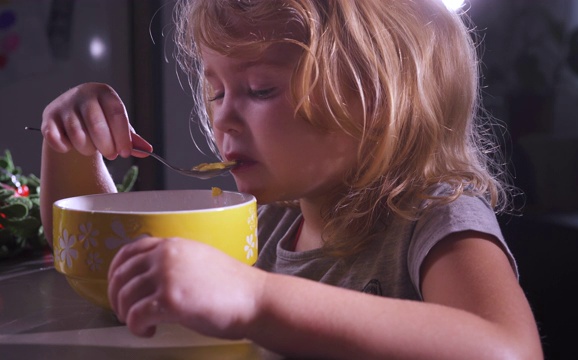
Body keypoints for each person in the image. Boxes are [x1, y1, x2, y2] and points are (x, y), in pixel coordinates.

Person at [39, 0, 543, 358]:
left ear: (378, 102)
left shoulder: (433, 216)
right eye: (216, 92)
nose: (223, 119)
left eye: (259, 89)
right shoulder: (269, 217)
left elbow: (506, 349)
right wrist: (71, 149)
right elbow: (116, 268)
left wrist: (254, 299)